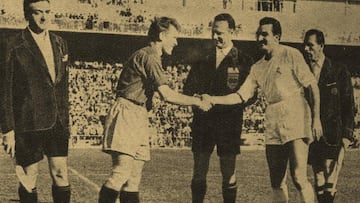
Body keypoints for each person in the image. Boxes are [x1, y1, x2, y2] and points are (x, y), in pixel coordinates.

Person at [202, 17, 323, 203]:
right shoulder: (257, 67)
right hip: (272, 116)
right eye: (258, 34)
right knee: (276, 180)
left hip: (296, 112)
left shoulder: (290, 54)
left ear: (277, 36)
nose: (260, 38)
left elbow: (312, 86)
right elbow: (240, 96)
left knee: (298, 177)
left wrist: (316, 119)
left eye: (264, 34)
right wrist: (213, 99)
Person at [98, 16, 211, 203]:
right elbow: (167, 95)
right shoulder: (149, 55)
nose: (176, 42)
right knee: (121, 173)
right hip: (128, 112)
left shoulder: (152, 56)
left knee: (133, 180)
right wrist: (197, 101)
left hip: (139, 113)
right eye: (173, 37)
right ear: (161, 35)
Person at [0, 0, 71, 203]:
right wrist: (7, 129)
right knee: (29, 177)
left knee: (60, 173)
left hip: (57, 121)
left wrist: (66, 120)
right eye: (38, 12)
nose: (44, 17)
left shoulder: (60, 42)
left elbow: (62, 86)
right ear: (26, 14)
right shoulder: (12, 44)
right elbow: (4, 90)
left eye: (48, 12)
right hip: (28, 122)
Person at [183, 13, 254, 203]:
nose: (215, 37)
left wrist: (227, 103)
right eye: (213, 33)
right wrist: (199, 100)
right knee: (199, 171)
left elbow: (250, 95)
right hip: (203, 122)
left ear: (232, 32)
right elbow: (188, 89)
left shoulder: (244, 61)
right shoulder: (202, 58)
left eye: (220, 33)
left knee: (228, 172)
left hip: (229, 124)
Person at [303, 29, 355, 203]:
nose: (306, 49)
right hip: (311, 131)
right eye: (305, 45)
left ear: (321, 46)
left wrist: (347, 134)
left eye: (310, 46)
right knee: (318, 175)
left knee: (330, 173)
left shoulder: (339, 70)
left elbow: (348, 105)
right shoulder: (302, 70)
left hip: (332, 131)